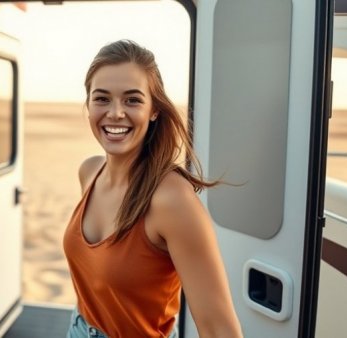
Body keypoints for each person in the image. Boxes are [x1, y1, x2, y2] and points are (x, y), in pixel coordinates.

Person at [63, 40, 243, 338]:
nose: (116, 113)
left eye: (132, 100)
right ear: (89, 105)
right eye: (102, 99)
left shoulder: (171, 200)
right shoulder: (89, 171)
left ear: (154, 110)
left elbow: (220, 328)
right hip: (79, 329)